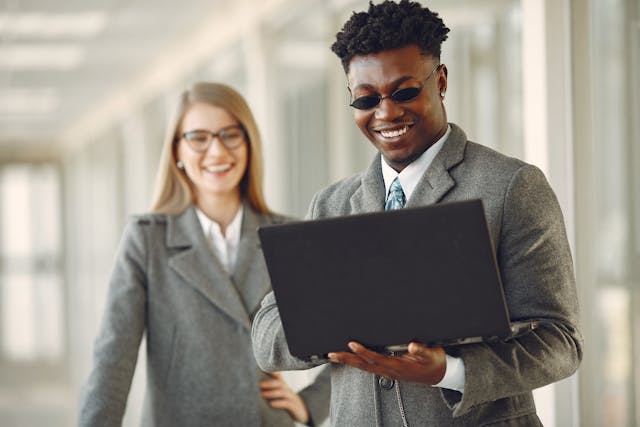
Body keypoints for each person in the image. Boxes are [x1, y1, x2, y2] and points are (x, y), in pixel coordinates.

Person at [251, 1, 583, 426]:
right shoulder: (330, 205)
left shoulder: (512, 187)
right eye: (367, 99)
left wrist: (450, 370)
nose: (386, 113)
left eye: (404, 92)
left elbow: (560, 341)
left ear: (441, 80)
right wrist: (334, 325)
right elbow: (266, 335)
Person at [78, 82, 330, 427]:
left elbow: (347, 336)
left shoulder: (286, 235)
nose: (216, 151)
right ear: (177, 151)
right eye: (198, 137)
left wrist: (311, 403)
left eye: (230, 134)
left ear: (249, 144)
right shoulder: (147, 239)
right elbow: (112, 359)